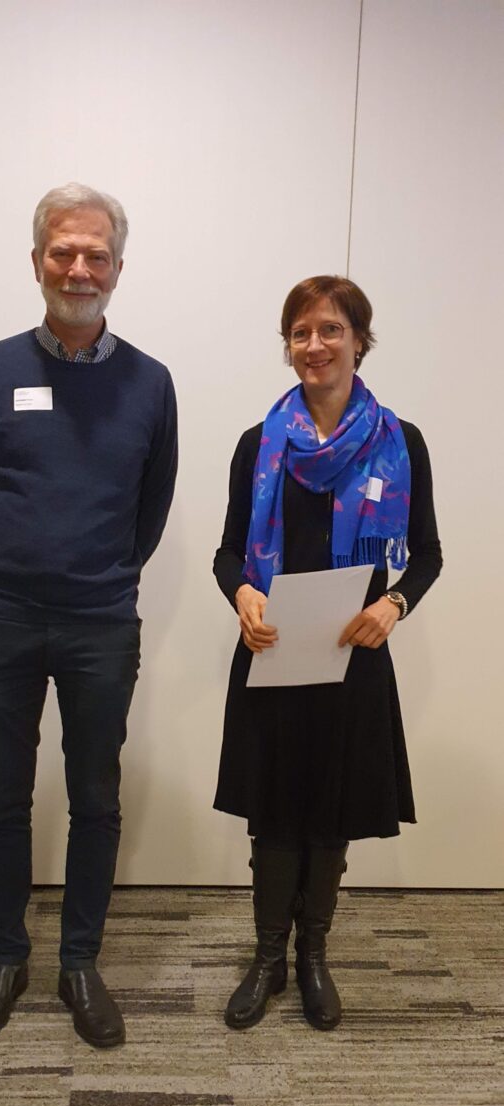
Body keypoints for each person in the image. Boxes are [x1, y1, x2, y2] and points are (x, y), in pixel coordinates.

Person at [0, 183, 177, 1048]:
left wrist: (95, 572)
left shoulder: (150, 383)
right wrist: (8, 564)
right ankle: (6, 958)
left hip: (99, 621)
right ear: (37, 260)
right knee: (2, 797)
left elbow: (150, 510)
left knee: (95, 797)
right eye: (63, 252)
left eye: (96, 255)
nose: (79, 269)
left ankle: (80, 962)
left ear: (118, 267)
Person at [213, 275, 441, 1033]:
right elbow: (227, 554)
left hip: (355, 657)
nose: (315, 345)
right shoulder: (260, 444)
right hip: (273, 652)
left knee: (330, 810)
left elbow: (428, 555)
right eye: (301, 332)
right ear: (288, 346)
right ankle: (267, 959)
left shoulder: (402, 443)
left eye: (331, 329)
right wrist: (243, 595)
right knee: (274, 812)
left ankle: (313, 956)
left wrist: (392, 604)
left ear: (359, 341)